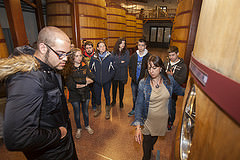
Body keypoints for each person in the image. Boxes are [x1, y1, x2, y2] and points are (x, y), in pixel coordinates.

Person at [0, 26, 78, 160]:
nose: (65, 58)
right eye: (61, 53)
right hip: (50, 153)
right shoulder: (27, 79)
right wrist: (58, 133)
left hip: (63, 146)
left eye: (67, 54)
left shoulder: (50, 64)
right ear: (43, 48)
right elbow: (17, 137)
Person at [132, 55, 185, 160]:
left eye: (154, 68)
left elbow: (181, 91)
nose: (151, 71)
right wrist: (138, 127)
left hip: (162, 120)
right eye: (149, 67)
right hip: (148, 119)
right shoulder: (143, 83)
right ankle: (146, 157)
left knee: (154, 138)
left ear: (161, 67)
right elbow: (139, 105)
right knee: (147, 142)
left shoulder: (169, 80)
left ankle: (151, 148)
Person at [64, 48, 94, 139]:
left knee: (85, 112)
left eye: (80, 55)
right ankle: (78, 128)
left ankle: (87, 125)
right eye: (76, 56)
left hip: (85, 93)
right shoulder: (68, 68)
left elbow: (92, 78)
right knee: (76, 113)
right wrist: (85, 82)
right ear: (72, 57)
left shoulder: (85, 66)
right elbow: (71, 85)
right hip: (74, 95)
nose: (79, 58)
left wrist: (80, 82)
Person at [89, 41, 115, 119]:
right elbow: (91, 69)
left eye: (103, 46)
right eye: (100, 46)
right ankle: (98, 109)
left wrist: (109, 78)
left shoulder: (110, 57)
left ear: (105, 47)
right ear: (97, 48)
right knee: (97, 96)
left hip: (107, 81)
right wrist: (94, 78)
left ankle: (107, 111)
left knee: (107, 96)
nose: (102, 48)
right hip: (96, 82)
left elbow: (113, 70)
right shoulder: (93, 58)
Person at [164, 46, 187, 130]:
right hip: (164, 89)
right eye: (169, 55)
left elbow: (182, 80)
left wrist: (173, 76)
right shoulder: (166, 62)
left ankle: (170, 122)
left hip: (174, 91)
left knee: (171, 107)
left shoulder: (183, 66)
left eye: (173, 55)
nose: (171, 57)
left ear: (177, 54)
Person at [128, 39, 151, 117]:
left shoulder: (149, 56)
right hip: (134, 80)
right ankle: (134, 109)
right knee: (134, 97)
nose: (140, 47)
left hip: (143, 81)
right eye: (139, 45)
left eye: (142, 45)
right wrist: (131, 75)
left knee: (142, 97)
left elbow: (150, 68)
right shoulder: (134, 56)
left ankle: (141, 111)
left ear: (145, 46)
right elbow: (130, 66)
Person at [111, 38, 130, 108]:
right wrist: (120, 62)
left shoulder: (126, 52)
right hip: (114, 74)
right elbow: (112, 62)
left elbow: (126, 63)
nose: (123, 45)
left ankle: (121, 101)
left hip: (122, 74)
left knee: (121, 89)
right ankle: (113, 100)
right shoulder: (113, 52)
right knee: (114, 88)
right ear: (118, 43)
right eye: (121, 43)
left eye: (124, 43)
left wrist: (116, 62)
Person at [83, 41, 96, 110]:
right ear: (85, 49)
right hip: (86, 78)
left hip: (94, 78)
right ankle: (85, 105)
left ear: (92, 48)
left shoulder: (96, 55)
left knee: (94, 93)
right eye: (87, 48)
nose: (88, 49)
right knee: (86, 93)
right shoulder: (82, 56)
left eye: (90, 48)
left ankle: (94, 104)